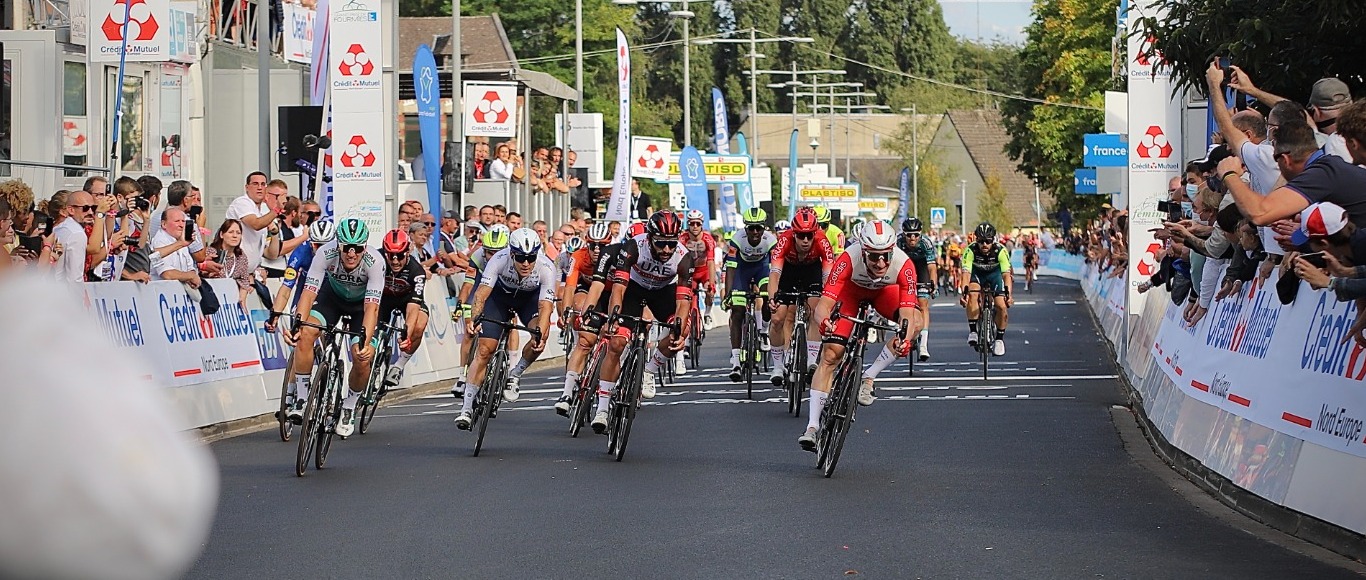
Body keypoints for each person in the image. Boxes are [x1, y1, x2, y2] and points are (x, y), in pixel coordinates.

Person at [798, 220, 920, 451]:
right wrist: (824, 322)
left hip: (885, 293)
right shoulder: (847, 259)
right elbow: (824, 305)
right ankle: (812, 427)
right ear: (863, 251)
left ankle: (869, 376)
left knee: (917, 321)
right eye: (874, 257)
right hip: (850, 294)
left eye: (886, 255)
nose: (881, 262)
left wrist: (904, 338)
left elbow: (907, 314)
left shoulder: (904, 265)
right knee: (832, 355)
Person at [581, 210, 693, 433]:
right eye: (661, 244)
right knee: (617, 343)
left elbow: (682, 302)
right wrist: (613, 316)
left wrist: (680, 330)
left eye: (671, 244)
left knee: (680, 331)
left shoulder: (684, 257)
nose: (666, 250)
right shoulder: (633, 246)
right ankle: (602, 408)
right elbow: (619, 289)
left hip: (663, 292)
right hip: (634, 289)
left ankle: (649, 371)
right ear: (650, 237)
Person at [285, 218, 384, 438]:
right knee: (306, 333)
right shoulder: (325, 253)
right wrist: (297, 325)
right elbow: (309, 293)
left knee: (361, 356)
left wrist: (365, 343)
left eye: (357, 248)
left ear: (364, 247)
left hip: (361, 306)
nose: (351, 253)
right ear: (337, 244)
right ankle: (302, 398)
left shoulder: (375, 262)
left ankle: (349, 406)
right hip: (332, 298)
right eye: (346, 247)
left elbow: (371, 309)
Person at [453, 228, 557, 430]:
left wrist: (540, 334)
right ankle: (466, 408)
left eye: (530, 257)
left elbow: (545, 306)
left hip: (529, 302)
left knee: (539, 338)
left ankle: (515, 374)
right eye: (520, 258)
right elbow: (481, 294)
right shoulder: (499, 259)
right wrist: (475, 318)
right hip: (499, 299)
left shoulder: (547, 267)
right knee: (484, 350)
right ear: (511, 254)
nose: (526, 263)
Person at [765, 207, 834, 385]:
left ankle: (811, 361)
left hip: (812, 271)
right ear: (793, 234)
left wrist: (828, 301)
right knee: (778, 319)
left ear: (815, 233)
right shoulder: (784, 241)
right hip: (788, 271)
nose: (805, 240)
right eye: (801, 236)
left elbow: (828, 277)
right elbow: (774, 274)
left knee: (816, 309)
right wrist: (772, 298)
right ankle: (778, 366)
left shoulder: (822, 241)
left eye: (809, 235)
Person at [554, 221, 617, 415]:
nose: (597, 250)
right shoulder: (578, 256)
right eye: (593, 245)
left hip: (611, 293)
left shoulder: (618, 256)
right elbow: (570, 287)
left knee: (618, 341)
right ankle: (567, 393)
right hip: (586, 291)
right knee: (584, 340)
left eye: (602, 246)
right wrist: (565, 311)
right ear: (586, 244)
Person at [448, 225, 510, 399]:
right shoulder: (476, 256)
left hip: (501, 293)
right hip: (480, 291)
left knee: (509, 325)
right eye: (489, 252)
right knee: (469, 331)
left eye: (497, 252)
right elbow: (468, 285)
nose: (492, 257)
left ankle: (510, 368)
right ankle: (462, 376)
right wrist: (460, 305)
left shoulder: (511, 259)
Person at [724, 207, 777, 381]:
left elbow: (777, 269)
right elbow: (731, 268)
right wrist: (728, 293)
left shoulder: (771, 241)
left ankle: (764, 332)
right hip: (742, 270)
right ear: (745, 228)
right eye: (751, 228)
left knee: (769, 299)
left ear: (764, 228)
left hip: (762, 269)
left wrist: (776, 292)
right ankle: (736, 360)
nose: (755, 232)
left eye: (759, 228)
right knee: (738, 310)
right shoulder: (737, 240)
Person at [377, 228, 431, 387]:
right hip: (383, 298)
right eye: (390, 255)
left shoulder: (417, 271)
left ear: (408, 252)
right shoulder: (376, 259)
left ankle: (398, 366)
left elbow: (414, 306)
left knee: (419, 324)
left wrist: (407, 334)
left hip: (407, 300)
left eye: (399, 256)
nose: (394, 261)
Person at [960, 222, 1014, 357]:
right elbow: (966, 274)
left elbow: (1006, 275)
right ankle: (973, 331)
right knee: (972, 294)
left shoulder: (1000, 250)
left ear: (993, 240)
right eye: (981, 241)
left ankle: (1000, 340)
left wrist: (1008, 294)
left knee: (1001, 306)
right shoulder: (970, 250)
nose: (984, 245)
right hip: (977, 274)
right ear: (976, 239)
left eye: (988, 241)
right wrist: (964, 294)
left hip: (994, 275)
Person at [898, 217, 938, 361]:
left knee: (923, 304)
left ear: (920, 234)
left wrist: (933, 284)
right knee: (900, 301)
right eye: (909, 235)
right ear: (904, 234)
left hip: (921, 267)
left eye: (915, 235)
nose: (912, 238)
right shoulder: (898, 242)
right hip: (904, 267)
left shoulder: (926, 243)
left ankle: (923, 345)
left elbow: (932, 267)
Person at [679, 209, 718, 327]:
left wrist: (711, 283)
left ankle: (707, 313)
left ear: (702, 224)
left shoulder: (708, 239)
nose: (695, 226)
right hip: (690, 272)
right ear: (688, 224)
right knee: (688, 296)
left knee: (710, 291)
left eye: (698, 223)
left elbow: (711, 262)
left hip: (704, 271)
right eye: (691, 223)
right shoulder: (682, 239)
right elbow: (678, 261)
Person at [203, 219, 253, 306]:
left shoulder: (241, 256)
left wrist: (242, 297)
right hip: (211, 298)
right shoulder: (211, 252)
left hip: (230, 301)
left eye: (238, 233)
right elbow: (201, 272)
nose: (235, 236)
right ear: (222, 235)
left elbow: (244, 279)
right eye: (231, 232)